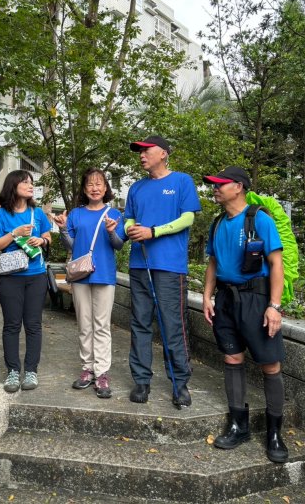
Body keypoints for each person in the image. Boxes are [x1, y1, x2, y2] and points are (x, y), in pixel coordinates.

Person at [202, 166, 288, 463]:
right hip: (225, 299)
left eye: (219, 184)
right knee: (232, 358)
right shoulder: (217, 223)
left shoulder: (259, 219)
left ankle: (275, 432)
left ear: (238, 187)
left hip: (256, 298)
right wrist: (207, 296)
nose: (214, 188)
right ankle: (239, 425)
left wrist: (274, 307)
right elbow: (213, 262)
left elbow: (276, 264)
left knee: (269, 364)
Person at [125, 136, 201, 407]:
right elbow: (129, 219)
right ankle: (141, 381)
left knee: (173, 325)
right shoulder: (136, 187)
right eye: (140, 152)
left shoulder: (182, 181)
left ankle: (180, 383)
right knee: (140, 323)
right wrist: (129, 229)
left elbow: (188, 217)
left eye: (147, 150)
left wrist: (154, 231)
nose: (142, 155)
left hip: (170, 266)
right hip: (139, 264)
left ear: (164, 154)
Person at [53, 168, 125, 399]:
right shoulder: (75, 214)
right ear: (84, 189)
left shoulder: (114, 213)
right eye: (90, 185)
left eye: (99, 184)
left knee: (101, 325)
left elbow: (118, 245)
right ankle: (87, 369)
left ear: (106, 188)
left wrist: (112, 231)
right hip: (81, 276)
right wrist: (63, 228)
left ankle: (102, 372)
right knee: (84, 323)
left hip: (104, 275)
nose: (95, 188)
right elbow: (71, 246)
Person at [0, 170, 51, 393]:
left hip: (36, 276)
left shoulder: (38, 213)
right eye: (25, 182)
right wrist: (14, 233)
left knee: (33, 325)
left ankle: (31, 370)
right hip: (10, 278)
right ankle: (13, 371)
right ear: (13, 185)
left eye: (32, 182)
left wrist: (41, 239)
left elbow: (48, 236)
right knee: (12, 325)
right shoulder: (2, 215)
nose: (30, 185)